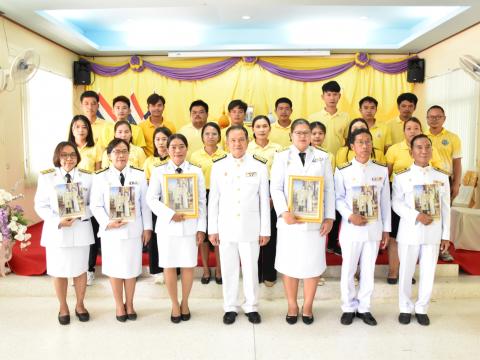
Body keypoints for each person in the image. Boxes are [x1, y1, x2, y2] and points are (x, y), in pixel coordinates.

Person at [270, 119, 335, 325]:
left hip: (314, 224)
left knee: (312, 265)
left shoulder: (323, 158)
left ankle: (307, 306)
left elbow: (329, 189)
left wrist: (329, 216)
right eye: (298, 133)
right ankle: (292, 305)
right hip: (290, 222)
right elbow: (276, 188)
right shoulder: (281, 157)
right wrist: (283, 211)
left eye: (307, 132)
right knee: (290, 265)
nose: (303, 136)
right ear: (291, 135)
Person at [208, 125, 270, 325]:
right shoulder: (218, 166)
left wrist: (265, 230)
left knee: (251, 269)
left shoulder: (259, 165)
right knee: (229, 268)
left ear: (248, 140)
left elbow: (263, 201)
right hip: (226, 227)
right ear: (226, 143)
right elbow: (214, 200)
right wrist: (213, 229)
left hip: (250, 227)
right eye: (233, 140)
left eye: (241, 139)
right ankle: (230, 307)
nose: (237, 144)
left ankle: (251, 306)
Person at [90, 138, 152, 322]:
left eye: (124, 151)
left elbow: (145, 205)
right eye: (116, 151)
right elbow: (95, 205)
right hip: (111, 231)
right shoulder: (100, 176)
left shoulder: (139, 175)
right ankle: (119, 305)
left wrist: (147, 228)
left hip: (134, 230)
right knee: (115, 269)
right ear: (109, 156)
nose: (121, 155)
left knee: (132, 269)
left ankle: (130, 304)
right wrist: (108, 222)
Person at [147, 134, 207, 323]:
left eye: (181, 146)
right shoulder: (159, 171)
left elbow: (202, 202)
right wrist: (169, 214)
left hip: (190, 226)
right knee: (169, 265)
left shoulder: (196, 171)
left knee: (188, 265)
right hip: (167, 227)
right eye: (173, 147)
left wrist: (201, 228)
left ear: (187, 149)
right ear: (167, 149)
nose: (177, 150)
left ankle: (185, 302)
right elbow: (151, 199)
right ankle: (174, 304)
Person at [392, 134, 451, 326]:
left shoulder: (441, 177)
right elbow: (396, 203)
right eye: (419, 147)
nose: (424, 151)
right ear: (411, 151)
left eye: (427, 147)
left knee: (428, 272)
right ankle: (405, 307)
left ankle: (422, 308)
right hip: (409, 231)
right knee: (406, 272)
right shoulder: (401, 177)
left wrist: (446, 235)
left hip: (433, 232)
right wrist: (415, 215)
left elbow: (446, 208)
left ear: (432, 150)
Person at [334, 128, 391, 326]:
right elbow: (338, 199)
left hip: (374, 229)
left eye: (368, 141)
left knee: (369, 270)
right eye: (360, 142)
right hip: (351, 228)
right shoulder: (342, 171)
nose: (365, 146)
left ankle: (364, 307)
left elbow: (385, 203)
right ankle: (348, 307)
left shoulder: (381, 170)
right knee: (348, 269)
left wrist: (386, 230)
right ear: (352, 146)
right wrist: (350, 216)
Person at [34, 141, 94, 325]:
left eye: (72, 155)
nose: (69, 159)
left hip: (81, 229)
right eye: (64, 155)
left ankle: (80, 304)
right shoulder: (47, 177)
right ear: (57, 157)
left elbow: (95, 205)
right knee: (58, 271)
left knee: (80, 270)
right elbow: (40, 205)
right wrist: (57, 221)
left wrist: (80, 214)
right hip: (56, 232)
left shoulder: (88, 177)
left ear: (77, 157)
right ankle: (63, 306)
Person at [385, 117, 444, 284]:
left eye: (416, 128)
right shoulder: (395, 149)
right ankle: (394, 270)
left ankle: (407, 270)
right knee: (396, 237)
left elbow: (437, 172)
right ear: (404, 131)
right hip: (402, 196)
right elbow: (387, 175)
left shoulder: (430, 148)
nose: (412, 131)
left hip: (428, 200)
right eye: (409, 128)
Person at [247, 115, 283, 287]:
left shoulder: (278, 149)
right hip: (251, 192)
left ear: (270, 128)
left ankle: (269, 274)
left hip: (273, 190)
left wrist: (273, 198)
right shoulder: (246, 148)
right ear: (252, 129)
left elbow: (281, 175)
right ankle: (255, 274)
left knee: (271, 234)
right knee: (253, 233)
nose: (261, 129)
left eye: (264, 126)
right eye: (258, 126)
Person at [68, 115, 102, 285]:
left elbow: (98, 173)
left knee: (91, 233)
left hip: (90, 196)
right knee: (73, 232)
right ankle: (76, 269)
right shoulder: (67, 148)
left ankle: (89, 269)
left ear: (88, 130)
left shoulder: (96, 149)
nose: (80, 130)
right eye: (77, 127)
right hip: (70, 196)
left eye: (84, 127)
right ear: (72, 129)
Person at [190, 122, 226, 285]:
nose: (210, 137)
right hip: (201, 195)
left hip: (220, 196)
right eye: (207, 134)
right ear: (202, 136)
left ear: (219, 136)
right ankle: (205, 269)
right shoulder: (195, 156)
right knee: (203, 235)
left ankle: (219, 269)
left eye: (214, 134)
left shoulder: (226, 155)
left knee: (218, 233)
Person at [426, 105, 461, 262]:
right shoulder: (421, 136)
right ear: (427, 119)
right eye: (431, 117)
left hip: (446, 180)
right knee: (428, 214)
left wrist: (457, 184)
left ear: (444, 118)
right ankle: (427, 245)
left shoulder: (453, 138)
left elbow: (457, 163)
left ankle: (443, 249)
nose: (434, 119)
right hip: (426, 181)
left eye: (438, 117)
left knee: (444, 215)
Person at [143, 127, 172, 284]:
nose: (161, 142)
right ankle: (156, 270)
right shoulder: (149, 161)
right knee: (154, 236)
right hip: (155, 202)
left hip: (172, 203)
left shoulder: (174, 158)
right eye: (157, 139)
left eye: (164, 139)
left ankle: (174, 269)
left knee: (171, 236)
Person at [308, 81, 349, 155]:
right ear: (323, 97)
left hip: (338, 158)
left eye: (335, 94)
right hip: (318, 158)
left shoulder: (345, 117)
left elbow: (347, 140)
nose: (332, 98)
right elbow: (308, 141)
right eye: (328, 95)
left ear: (339, 96)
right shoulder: (312, 118)